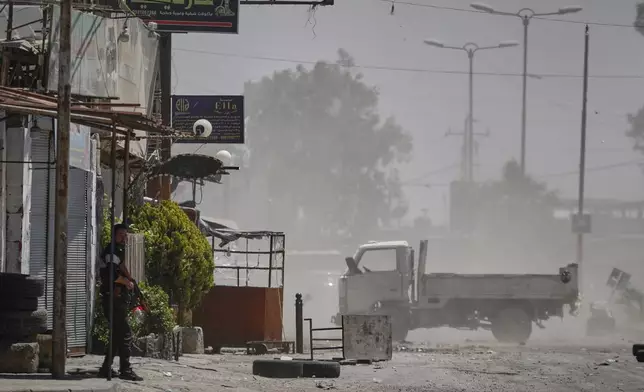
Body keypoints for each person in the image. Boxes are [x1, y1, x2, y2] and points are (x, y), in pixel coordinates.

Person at [98, 223, 143, 381]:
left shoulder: (116, 250)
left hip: (114, 298)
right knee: (124, 333)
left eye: (125, 235)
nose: (123, 238)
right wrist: (126, 282)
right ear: (114, 235)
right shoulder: (111, 252)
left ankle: (106, 368)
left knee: (117, 335)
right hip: (113, 298)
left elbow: (120, 268)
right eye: (120, 235)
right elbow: (111, 276)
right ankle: (126, 369)